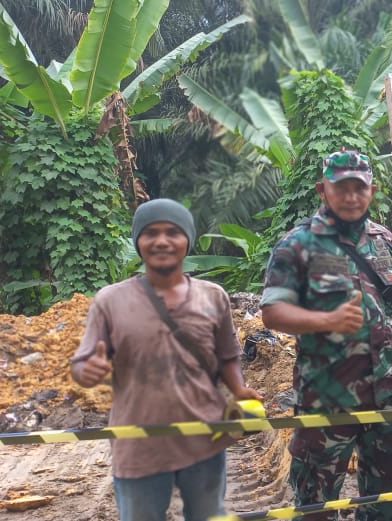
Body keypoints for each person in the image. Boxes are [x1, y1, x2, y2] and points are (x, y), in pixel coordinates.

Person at [70, 198, 261, 521]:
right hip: (138, 445)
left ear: (187, 238)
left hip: (205, 440)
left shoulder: (213, 296)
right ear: (138, 241)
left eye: (173, 232)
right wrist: (89, 371)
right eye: (150, 233)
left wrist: (239, 390)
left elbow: (228, 355)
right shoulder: (110, 300)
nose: (161, 241)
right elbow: (81, 364)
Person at [261, 150, 392, 521]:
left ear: (371, 191)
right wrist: (325, 319)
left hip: (383, 399)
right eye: (340, 187)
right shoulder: (297, 244)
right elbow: (272, 311)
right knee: (317, 506)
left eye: (358, 188)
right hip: (325, 400)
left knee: (387, 503)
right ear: (321, 189)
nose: (350, 196)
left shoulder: (387, 242)